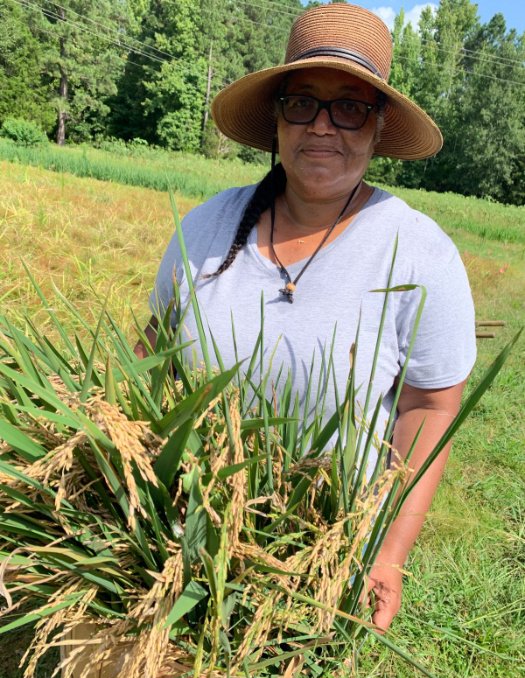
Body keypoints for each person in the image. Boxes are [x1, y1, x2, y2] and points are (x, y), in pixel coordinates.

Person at [136, 3, 476, 632]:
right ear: (277, 117)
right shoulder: (207, 228)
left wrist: (389, 554)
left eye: (349, 106)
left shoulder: (421, 253)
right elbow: (149, 356)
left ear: (378, 127)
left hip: (318, 565)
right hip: (169, 543)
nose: (323, 126)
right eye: (303, 102)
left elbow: (430, 409)